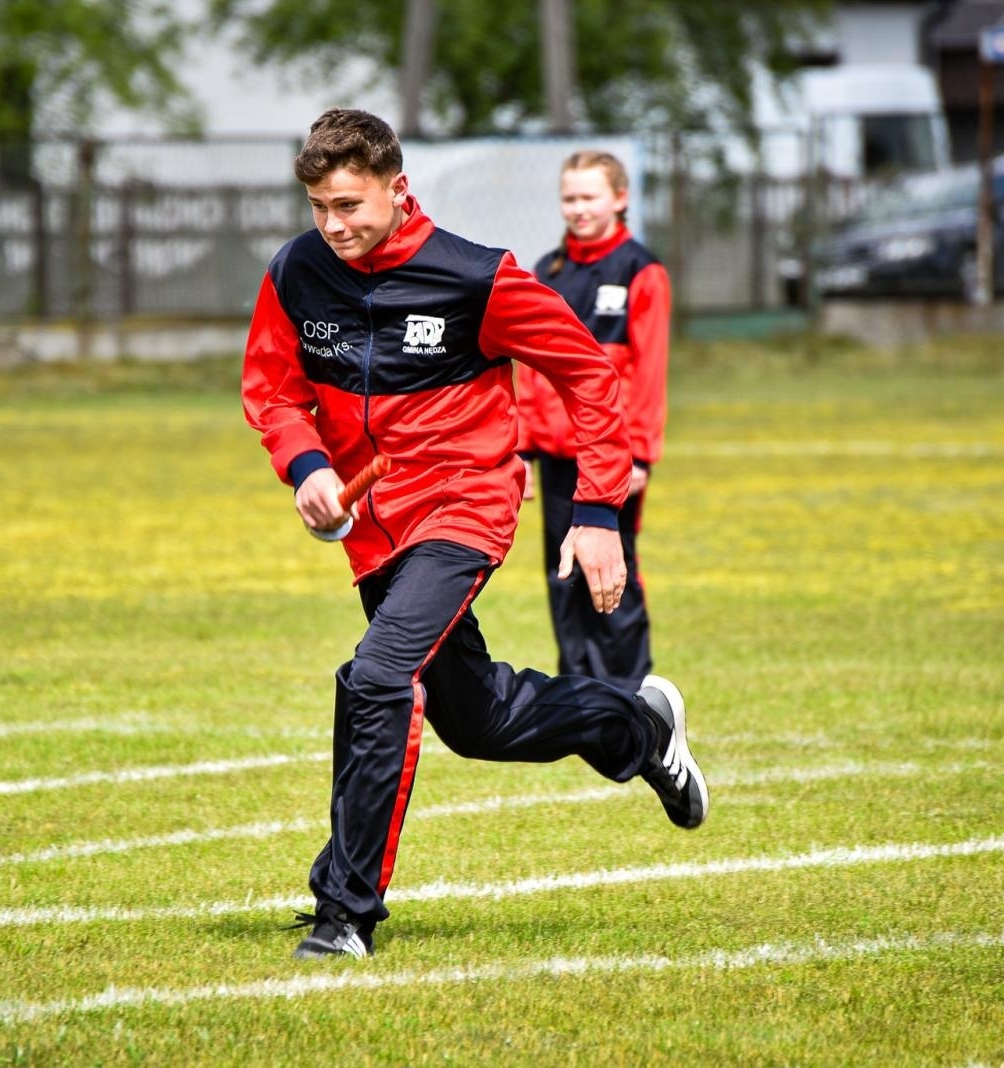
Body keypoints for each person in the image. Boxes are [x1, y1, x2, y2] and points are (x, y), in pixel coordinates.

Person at [241, 110, 707, 961]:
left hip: (465, 507)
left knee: (377, 676)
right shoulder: (295, 272)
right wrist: (305, 464)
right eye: (318, 207)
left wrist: (598, 512)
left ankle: (344, 913)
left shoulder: (475, 278)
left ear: (396, 186)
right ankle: (639, 729)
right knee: (478, 719)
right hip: (374, 532)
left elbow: (590, 379)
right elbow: (271, 389)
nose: (334, 225)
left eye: (349, 204)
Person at [518, 151, 671, 694]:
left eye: (590, 197)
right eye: (570, 198)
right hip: (555, 456)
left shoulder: (641, 270)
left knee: (612, 571)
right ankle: (578, 692)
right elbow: (533, 368)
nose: (578, 209)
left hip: (610, 460)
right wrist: (525, 448)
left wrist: (642, 455)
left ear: (620, 199)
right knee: (563, 577)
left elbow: (649, 373)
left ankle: (630, 690)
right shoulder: (547, 271)